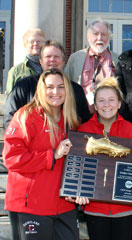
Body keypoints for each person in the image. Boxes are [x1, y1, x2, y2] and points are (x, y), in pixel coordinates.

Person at [3, 68, 80, 239]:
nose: (56, 92)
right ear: (40, 89)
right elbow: (11, 158)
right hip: (31, 206)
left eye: (61, 87)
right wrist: (51, 155)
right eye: (50, 87)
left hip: (63, 205)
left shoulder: (71, 119)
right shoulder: (26, 116)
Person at [75, 77, 132, 240]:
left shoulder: (130, 130)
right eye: (101, 101)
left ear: (119, 104)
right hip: (95, 208)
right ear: (95, 105)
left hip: (124, 208)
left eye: (111, 100)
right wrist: (78, 191)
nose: (106, 105)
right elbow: (78, 168)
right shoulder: (83, 131)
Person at [4, 40, 90, 129]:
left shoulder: (76, 90)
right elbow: (10, 119)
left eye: (56, 57)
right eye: (48, 57)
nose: (52, 60)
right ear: (40, 61)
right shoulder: (24, 86)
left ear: (64, 61)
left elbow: (85, 123)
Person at [65, 19, 119, 114]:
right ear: (88, 37)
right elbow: (65, 85)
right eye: (95, 34)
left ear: (109, 37)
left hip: (108, 114)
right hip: (80, 114)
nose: (99, 38)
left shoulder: (118, 60)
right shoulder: (75, 58)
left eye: (104, 34)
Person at [6, 28, 45, 93]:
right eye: (32, 42)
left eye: (39, 41)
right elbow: (10, 97)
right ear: (25, 45)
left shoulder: (51, 68)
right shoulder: (16, 71)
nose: (35, 44)